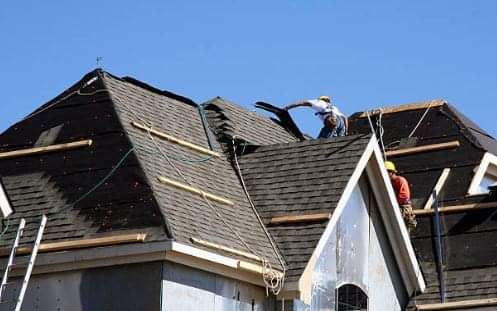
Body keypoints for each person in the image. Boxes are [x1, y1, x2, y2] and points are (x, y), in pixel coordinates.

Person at [385, 161, 417, 232]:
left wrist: (393, 202)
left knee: (403, 229)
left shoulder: (400, 180)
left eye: (386, 172)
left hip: (403, 208)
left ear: (391, 172)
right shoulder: (389, 182)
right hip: (396, 206)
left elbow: (404, 196)